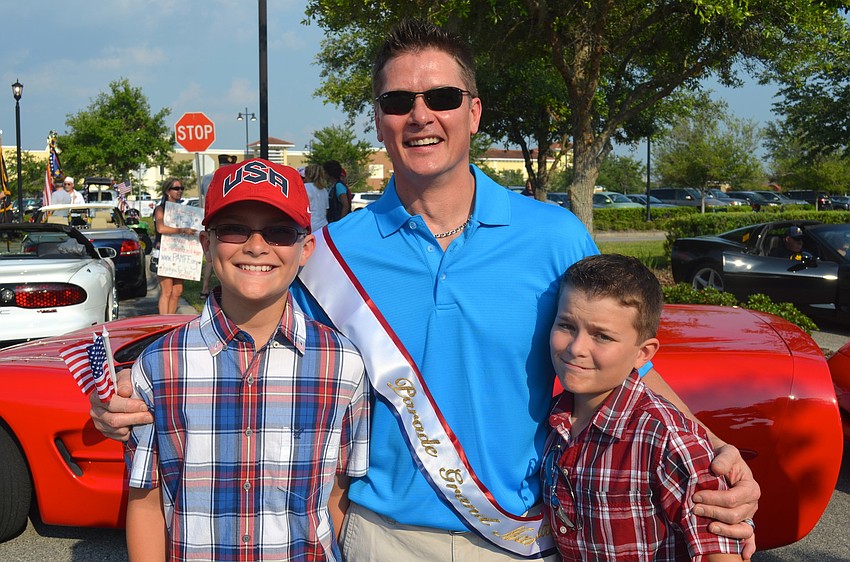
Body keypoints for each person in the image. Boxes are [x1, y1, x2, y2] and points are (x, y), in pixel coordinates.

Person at [90, 19, 758, 561]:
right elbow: (248, 338)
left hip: (518, 537)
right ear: (379, 120)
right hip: (378, 539)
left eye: (440, 97)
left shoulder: (554, 237)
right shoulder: (331, 251)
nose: (420, 116)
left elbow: (625, 367)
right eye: (397, 102)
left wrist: (714, 453)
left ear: (474, 112)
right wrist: (127, 395)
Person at [124, 158, 370, 561]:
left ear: (306, 248)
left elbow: (336, 498)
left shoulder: (343, 366)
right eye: (234, 229)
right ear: (206, 244)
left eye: (279, 232)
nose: (256, 246)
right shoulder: (158, 366)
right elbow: (147, 503)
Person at [544, 254, 743, 561]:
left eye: (602, 336)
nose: (576, 348)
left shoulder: (667, 440)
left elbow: (718, 551)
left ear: (644, 353)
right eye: (567, 325)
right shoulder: (555, 420)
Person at [152, 178, 195, 314]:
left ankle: (171, 321)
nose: (180, 191)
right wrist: (182, 230)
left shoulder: (184, 211)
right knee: (167, 290)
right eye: (176, 188)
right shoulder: (161, 209)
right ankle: (164, 322)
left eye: (181, 188)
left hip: (180, 253)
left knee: (177, 291)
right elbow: (160, 228)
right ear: (167, 191)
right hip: (165, 252)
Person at [304, 163, 331, 232]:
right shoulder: (324, 190)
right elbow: (326, 210)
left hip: (310, 224)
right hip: (323, 225)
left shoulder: (305, 187)